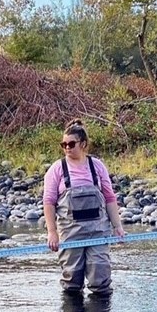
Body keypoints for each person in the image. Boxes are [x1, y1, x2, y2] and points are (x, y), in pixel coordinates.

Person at [43, 119, 125, 295]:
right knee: (72, 282)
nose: (67, 148)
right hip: (70, 233)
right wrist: (52, 232)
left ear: (83, 144)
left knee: (100, 281)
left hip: (98, 231)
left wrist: (117, 226)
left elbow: (110, 198)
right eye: (63, 144)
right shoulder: (56, 169)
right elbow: (48, 202)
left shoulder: (97, 166)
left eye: (71, 144)